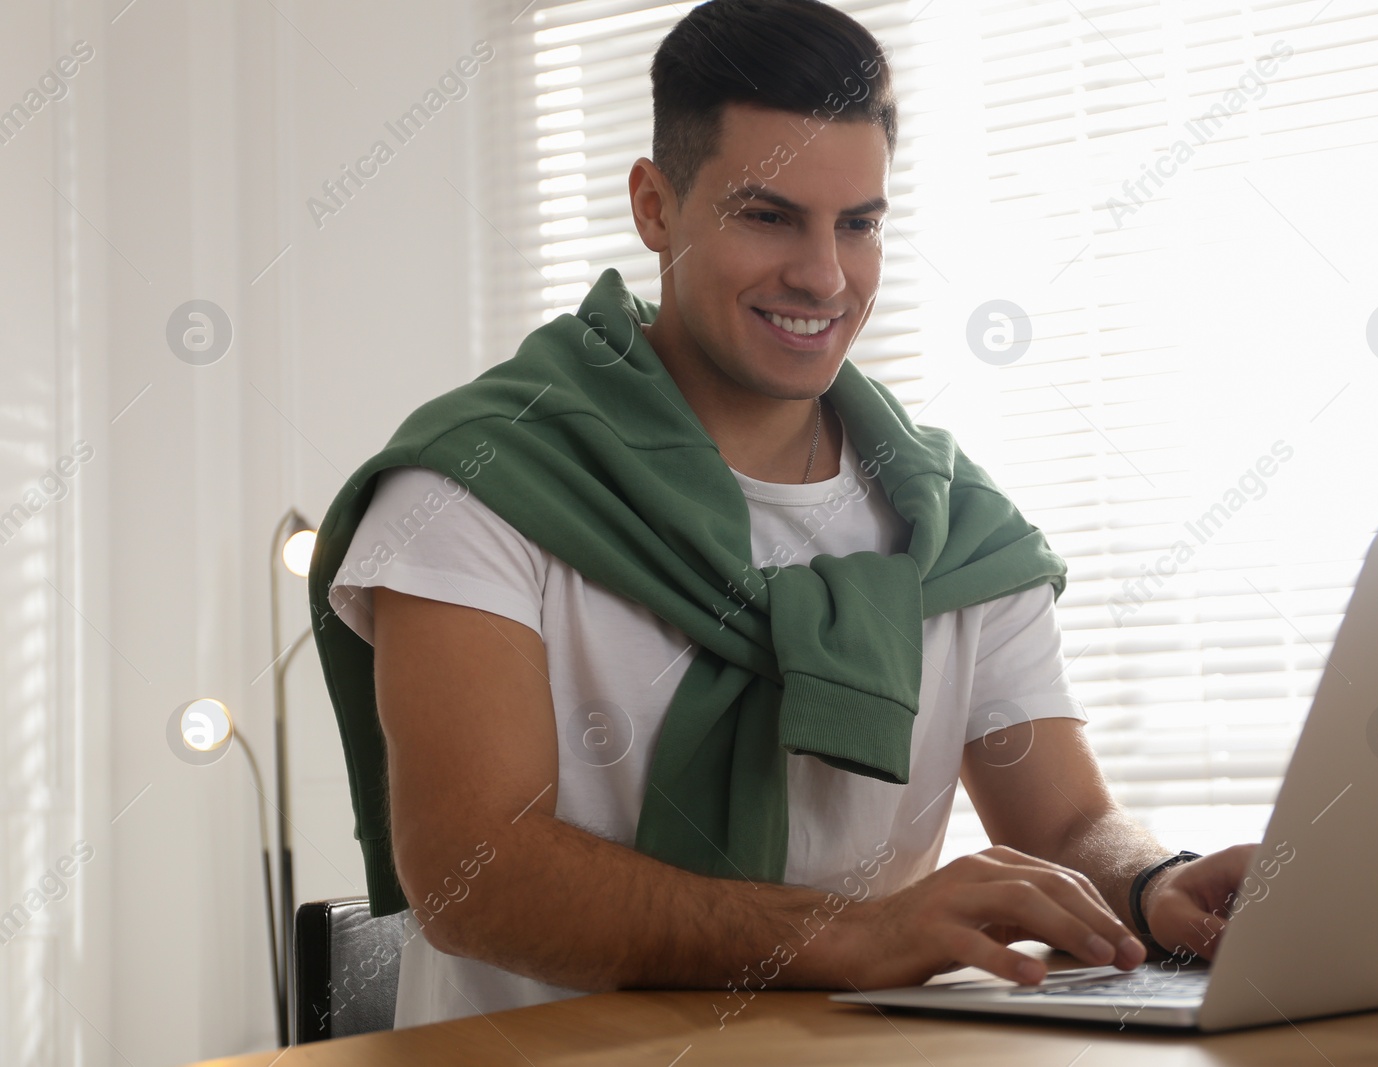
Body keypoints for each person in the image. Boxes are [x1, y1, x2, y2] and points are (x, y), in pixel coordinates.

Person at [308, 0, 1255, 1031]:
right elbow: (473, 871)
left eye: (858, 223)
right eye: (768, 216)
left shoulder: (956, 529)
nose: (823, 275)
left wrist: (1154, 879)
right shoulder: (478, 483)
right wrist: (856, 932)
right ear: (654, 206)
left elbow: (1067, 819)